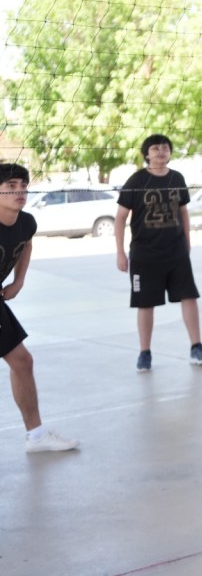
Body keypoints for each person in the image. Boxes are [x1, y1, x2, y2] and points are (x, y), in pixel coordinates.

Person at [115, 134, 202, 372]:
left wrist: (187, 242)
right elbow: (120, 217)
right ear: (146, 154)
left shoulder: (177, 178)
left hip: (176, 250)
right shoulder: (137, 179)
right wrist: (120, 252)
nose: (161, 151)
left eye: (165, 148)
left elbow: (184, 212)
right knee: (145, 303)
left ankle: (197, 346)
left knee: (189, 296)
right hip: (144, 254)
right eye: (155, 148)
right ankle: (145, 352)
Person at [0, 164, 79, 452]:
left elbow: (27, 245)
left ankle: (36, 437)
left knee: (22, 362)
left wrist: (18, 282)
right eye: (10, 185)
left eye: (22, 184)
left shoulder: (26, 222)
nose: (18, 190)